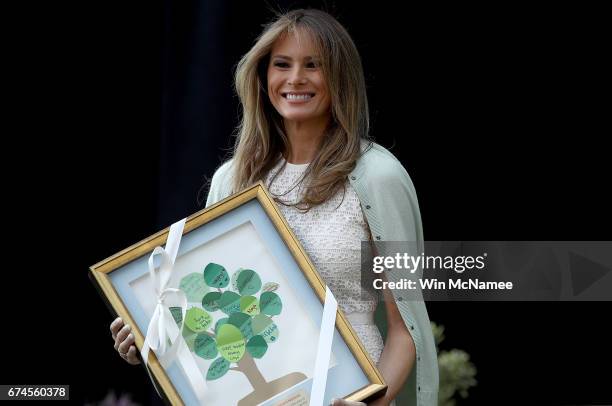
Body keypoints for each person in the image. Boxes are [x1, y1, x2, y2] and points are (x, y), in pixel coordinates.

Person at [111, 8, 438, 406]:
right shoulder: (231, 180)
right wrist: (151, 340)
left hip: (348, 394)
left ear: (339, 77)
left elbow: (406, 331)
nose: (295, 78)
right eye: (282, 65)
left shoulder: (378, 176)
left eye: (313, 65)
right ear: (263, 78)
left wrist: (373, 404)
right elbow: (210, 315)